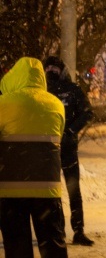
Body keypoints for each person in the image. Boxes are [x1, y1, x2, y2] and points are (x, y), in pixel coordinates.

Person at [0, 57, 68, 258]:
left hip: (11, 191)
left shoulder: (3, 104)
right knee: (54, 248)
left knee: (17, 249)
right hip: (47, 190)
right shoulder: (56, 105)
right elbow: (59, 136)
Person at [43, 56, 95, 246]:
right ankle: (57, 231)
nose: (51, 70)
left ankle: (78, 231)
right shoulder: (42, 91)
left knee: (74, 191)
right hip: (48, 150)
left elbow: (87, 112)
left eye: (54, 67)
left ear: (61, 70)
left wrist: (71, 130)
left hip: (68, 150)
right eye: (47, 67)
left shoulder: (72, 90)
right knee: (52, 193)